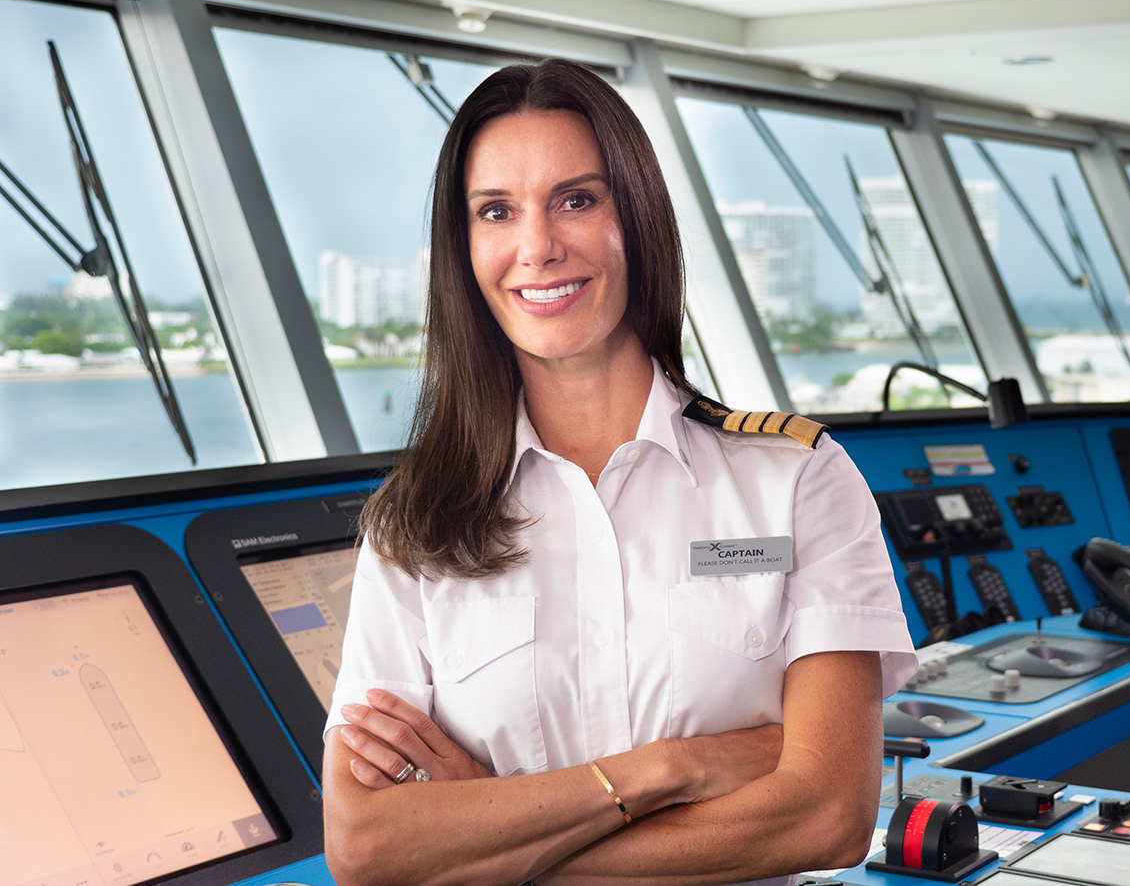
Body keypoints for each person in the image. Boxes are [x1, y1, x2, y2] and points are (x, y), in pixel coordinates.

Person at [320, 59, 916, 886]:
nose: (537, 246)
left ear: (636, 216)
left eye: (576, 199)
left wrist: (497, 833)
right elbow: (366, 845)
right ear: (465, 248)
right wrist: (667, 768)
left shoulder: (797, 482)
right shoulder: (415, 523)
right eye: (497, 211)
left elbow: (828, 814)